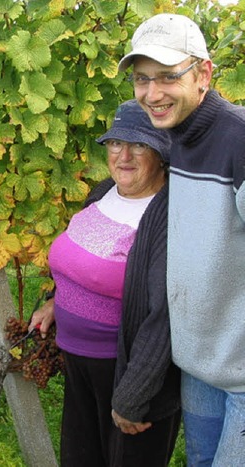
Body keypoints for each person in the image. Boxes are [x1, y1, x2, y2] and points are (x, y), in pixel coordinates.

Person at [118, 13, 245, 465]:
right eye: (141, 79)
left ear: (204, 74)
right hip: (200, 368)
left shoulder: (239, 139)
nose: (152, 94)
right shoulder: (178, 138)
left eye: (168, 77)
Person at [31, 100, 180, 466]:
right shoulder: (103, 192)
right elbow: (76, 261)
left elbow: (166, 318)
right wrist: (54, 301)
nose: (124, 155)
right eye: (116, 144)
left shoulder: (167, 214)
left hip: (128, 374)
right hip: (80, 365)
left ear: (161, 154)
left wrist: (134, 395)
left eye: (140, 145)